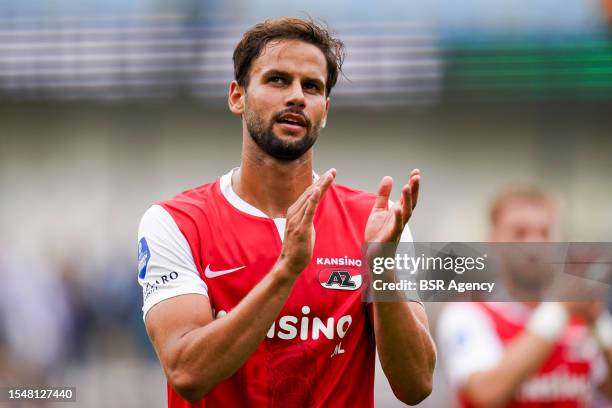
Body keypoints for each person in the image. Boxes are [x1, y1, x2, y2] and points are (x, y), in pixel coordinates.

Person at [137, 17, 436, 407]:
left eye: (311, 86)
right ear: (237, 97)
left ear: (324, 110)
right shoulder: (175, 222)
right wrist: (286, 271)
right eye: (277, 80)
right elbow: (187, 373)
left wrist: (381, 267)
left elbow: (416, 386)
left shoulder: (376, 224)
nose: (296, 96)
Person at [437, 189, 612, 407]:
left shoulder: (581, 314)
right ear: (493, 241)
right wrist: (558, 312)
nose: (534, 244)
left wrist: (599, 325)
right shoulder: (467, 314)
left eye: (545, 233)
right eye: (519, 233)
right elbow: (485, 395)